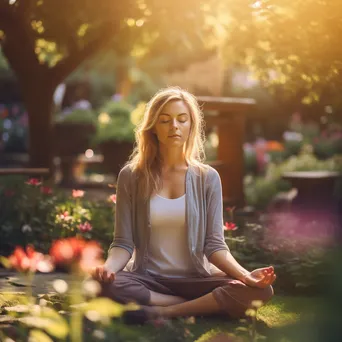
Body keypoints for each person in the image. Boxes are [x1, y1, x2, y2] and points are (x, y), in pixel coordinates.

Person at [92, 86, 275, 323]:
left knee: (261, 291)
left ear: (191, 126)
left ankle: (162, 312)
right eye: (165, 120)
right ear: (153, 128)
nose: (174, 127)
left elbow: (215, 246)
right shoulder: (132, 176)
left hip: (195, 279)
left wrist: (246, 277)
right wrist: (108, 269)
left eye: (182, 119)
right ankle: (201, 306)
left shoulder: (207, 178)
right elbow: (123, 243)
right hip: (148, 278)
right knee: (101, 285)